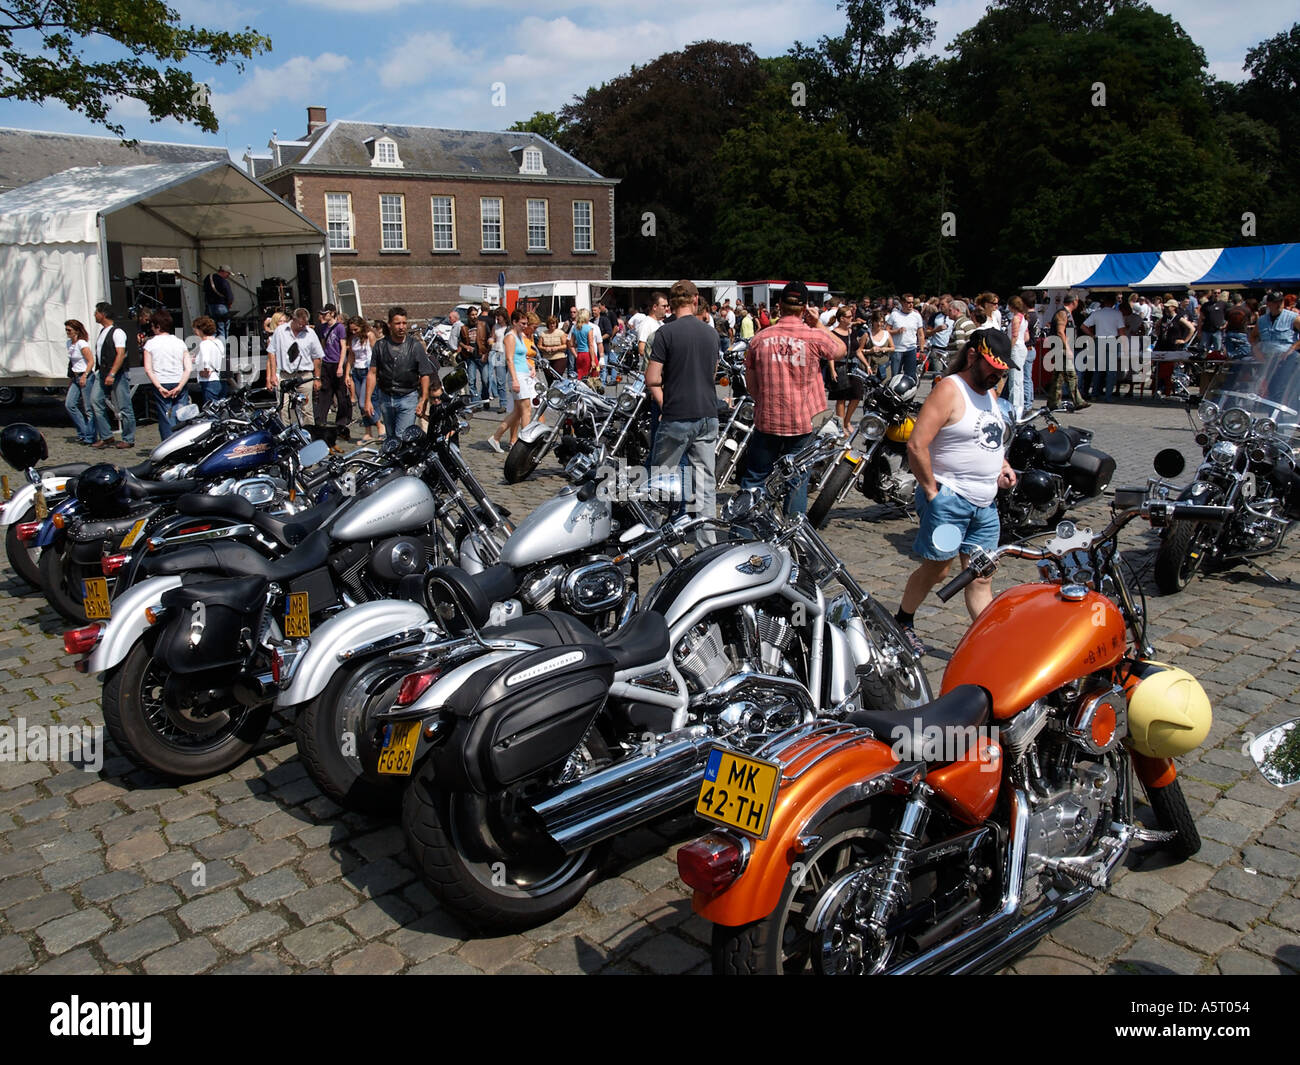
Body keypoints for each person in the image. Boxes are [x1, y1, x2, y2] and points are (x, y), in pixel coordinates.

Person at [894, 330, 1018, 655]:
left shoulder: (990, 392)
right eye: (993, 367)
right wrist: (933, 493)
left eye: (1002, 371)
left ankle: (992, 645)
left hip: (985, 505)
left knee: (980, 576)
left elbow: (989, 438)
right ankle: (902, 620)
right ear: (973, 356)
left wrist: (1002, 465)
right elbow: (917, 444)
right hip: (950, 501)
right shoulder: (949, 389)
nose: (997, 375)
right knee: (939, 569)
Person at [742, 281, 842, 515]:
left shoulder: (759, 338)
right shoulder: (814, 336)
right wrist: (818, 323)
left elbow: (751, 385)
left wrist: (764, 401)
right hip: (802, 422)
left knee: (755, 477)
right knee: (796, 479)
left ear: (779, 305)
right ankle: (790, 532)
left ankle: (744, 530)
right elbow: (840, 348)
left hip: (767, 420)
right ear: (805, 307)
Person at [645, 279, 721, 546]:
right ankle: (706, 544)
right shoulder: (711, 334)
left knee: (660, 479)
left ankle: (654, 540)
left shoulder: (665, 333)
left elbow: (653, 379)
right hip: (707, 414)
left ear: (672, 304)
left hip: (677, 414)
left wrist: (665, 405)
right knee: (704, 483)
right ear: (696, 299)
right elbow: (711, 375)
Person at [365, 306, 440, 438]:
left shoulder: (415, 346)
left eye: (404, 323)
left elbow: (425, 374)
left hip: (407, 397)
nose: (402, 327)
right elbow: (372, 373)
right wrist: (368, 400)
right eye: (398, 323)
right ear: (389, 325)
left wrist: (423, 399)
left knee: (401, 435)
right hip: (386, 397)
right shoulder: (380, 346)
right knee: (391, 436)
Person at [488, 310, 539, 452]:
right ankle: (525, 443)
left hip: (524, 373)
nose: (525, 326)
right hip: (517, 375)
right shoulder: (510, 337)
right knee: (526, 409)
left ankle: (496, 437)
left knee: (517, 411)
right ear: (514, 322)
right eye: (522, 323)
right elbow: (509, 359)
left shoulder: (519, 336)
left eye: (526, 323)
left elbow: (521, 357)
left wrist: (531, 368)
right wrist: (515, 380)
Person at [266, 308, 323, 424]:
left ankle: (308, 436)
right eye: (300, 324)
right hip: (285, 375)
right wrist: (272, 375)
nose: (303, 326)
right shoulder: (280, 331)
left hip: (304, 375)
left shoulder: (310, 334)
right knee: (283, 407)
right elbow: (272, 352)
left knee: (307, 409)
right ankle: (287, 435)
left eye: (305, 324)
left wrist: (317, 378)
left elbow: (317, 357)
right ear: (293, 319)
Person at [143, 308, 192, 440]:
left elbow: (148, 369)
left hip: (161, 381)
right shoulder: (180, 342)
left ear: (157, 326)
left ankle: (168, 443)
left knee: (166, 416)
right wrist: (180, 386)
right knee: (181, 414)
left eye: (152, 326)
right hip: (178, 380)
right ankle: (183, 441)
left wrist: (159, 387)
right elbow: (188, 368)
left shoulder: (150, 344)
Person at [91, 303, 134, 449]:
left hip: (116, 373)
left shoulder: (117, 332)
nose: (94, 315)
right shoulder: (103, 331)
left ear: (103, 314)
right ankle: (106, 436)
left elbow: (120, 354)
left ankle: (128, 438)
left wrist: (112, 373)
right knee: (95, 401)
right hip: (102, 372)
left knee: (124, 406)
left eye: (96, 312)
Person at [1080, 293, 1128, 402]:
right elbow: (1121, 331)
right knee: (1111, 371)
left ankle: (1095, 394)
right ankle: (1108, 396)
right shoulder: (1117, 313)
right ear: (1113, 303)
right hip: (1112, 340)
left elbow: (1083, 326)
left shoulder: (1097, 313)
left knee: (1098, 369)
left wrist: (1092, 335)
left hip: (1099, 340)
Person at [64, 320, 103, 446]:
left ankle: (90, 436)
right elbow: (72, 363)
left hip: (85, 375)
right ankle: (84, 431)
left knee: (88, 408)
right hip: (75, 376)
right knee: (70, 404)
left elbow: (91, 361)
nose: (67, 332)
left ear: (76, 330)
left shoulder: (82, 343)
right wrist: (72, 378)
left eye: (69, 330)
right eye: (66, 330)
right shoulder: (69, 343)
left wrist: (85, 375)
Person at [1045, 293, 1087, 409]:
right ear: (1074, 302)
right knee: (1071, 375)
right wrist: (1067, 348)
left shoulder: (1067, 314)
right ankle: (1078, 401)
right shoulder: (1062, 313)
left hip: (1062, 347)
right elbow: (1060, 331)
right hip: (1060, 349)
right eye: (1077, 301)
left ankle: (1053, 402)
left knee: (1058, 377)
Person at [343, 316, 381, 442]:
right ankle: (368, 432)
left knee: (365, 402)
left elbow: (376, 354)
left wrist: (375, 371)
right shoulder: (352, 339)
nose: (354, 332)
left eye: (356, 329)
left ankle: (380, 425)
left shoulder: (369, 335)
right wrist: (347, 374)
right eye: (352, 330)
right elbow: (351, 357)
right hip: (357, 371)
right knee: (361, 404)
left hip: (368, 371)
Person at [314, 304, 350, 427]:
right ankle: (321, 419)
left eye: (326, 313)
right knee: (325, 392)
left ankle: (341, 420)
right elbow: (323, 343)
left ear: (333, 313)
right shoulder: (323, 328)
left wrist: (340, 365)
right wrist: (322, 357)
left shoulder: (339, 327)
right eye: (323, 313)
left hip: (336, 362)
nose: (324, 315)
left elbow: (343, 347)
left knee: (340, 393)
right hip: (327, 363)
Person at [886, 293, 925, 379]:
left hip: (911, 349)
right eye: (908, 302)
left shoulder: (917, 316)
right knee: (895, 376)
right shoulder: (895, 315)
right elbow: (886, 331)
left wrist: (922, 350)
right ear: (902, 303)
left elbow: (921, 334)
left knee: (910, 376)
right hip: (897, 350)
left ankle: (910, 391)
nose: (911, 305)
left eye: (912, 302)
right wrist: (897, 331)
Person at [193, 316, 225, 407]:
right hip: (217, 378)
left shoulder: (204, 344)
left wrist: (205, 371)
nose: (194, 331)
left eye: (195, 329)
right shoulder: (217, 342)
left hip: (208, 381)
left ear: (200, 329)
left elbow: (206, 360)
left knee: (210, 410)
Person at [1006, 295, 1030, 414]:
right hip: (1022, 347)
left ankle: (1014, 407)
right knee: (1019, 379)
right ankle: (1020, 406)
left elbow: (1014, 336)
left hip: (1016, 348)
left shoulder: (1016, 318)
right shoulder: (1024, 317)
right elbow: (1026, 337)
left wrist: (1008, 350)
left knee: (1014, 379)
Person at [636, 291, 669, 367]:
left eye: (667, 306)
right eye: (664, 306)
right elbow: (641, 349)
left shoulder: (661, 324)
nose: (667, 309)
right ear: (655, 307)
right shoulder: (646, 324)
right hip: (648, 370)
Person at [203, 265, 235, 339]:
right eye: (228, 273)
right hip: (222, 307)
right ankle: (222, 348)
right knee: (222, 330)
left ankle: (213, 346)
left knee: (213, 329)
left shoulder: (208, 278)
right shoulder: (224, 282)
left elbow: (204, 289)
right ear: (223, 272)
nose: (228, 276)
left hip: (210, 307)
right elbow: (230, 297)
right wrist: (229, 304)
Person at [568, 308, 600, 379]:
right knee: (595, 373)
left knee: (581, 375)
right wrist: (593, 361)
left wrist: (576, 355)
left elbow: (571, 345)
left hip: (580, 354)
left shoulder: (575, 328)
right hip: (588, 354)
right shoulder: (589, 328)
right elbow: (591, 345)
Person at [536, 314, 568, 379]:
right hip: (547, 358)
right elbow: (539, 346)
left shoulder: (561, 333)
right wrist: (545, 348)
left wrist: (557, 348)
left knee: (556, 377)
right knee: (549, 378)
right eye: (550, 323)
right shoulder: (543, 333)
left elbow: (565, 345)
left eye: (554, 323)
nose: (552, 325)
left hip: (559, 357)